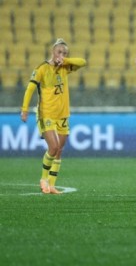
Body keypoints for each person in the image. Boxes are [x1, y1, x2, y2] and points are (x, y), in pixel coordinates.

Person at [21, 38, 86, 194]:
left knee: (59, 150)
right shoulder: (42, 68)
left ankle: (51, 185)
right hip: (46, 113)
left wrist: (65, 60)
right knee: (54, 147)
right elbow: (30, 88)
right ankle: (43, 179)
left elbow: (82, 62)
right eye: (59, 52)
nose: (61, 55)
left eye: (65, 53)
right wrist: (24, 109)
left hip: (62, 114)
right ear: (53, 51)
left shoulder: (65, 67)